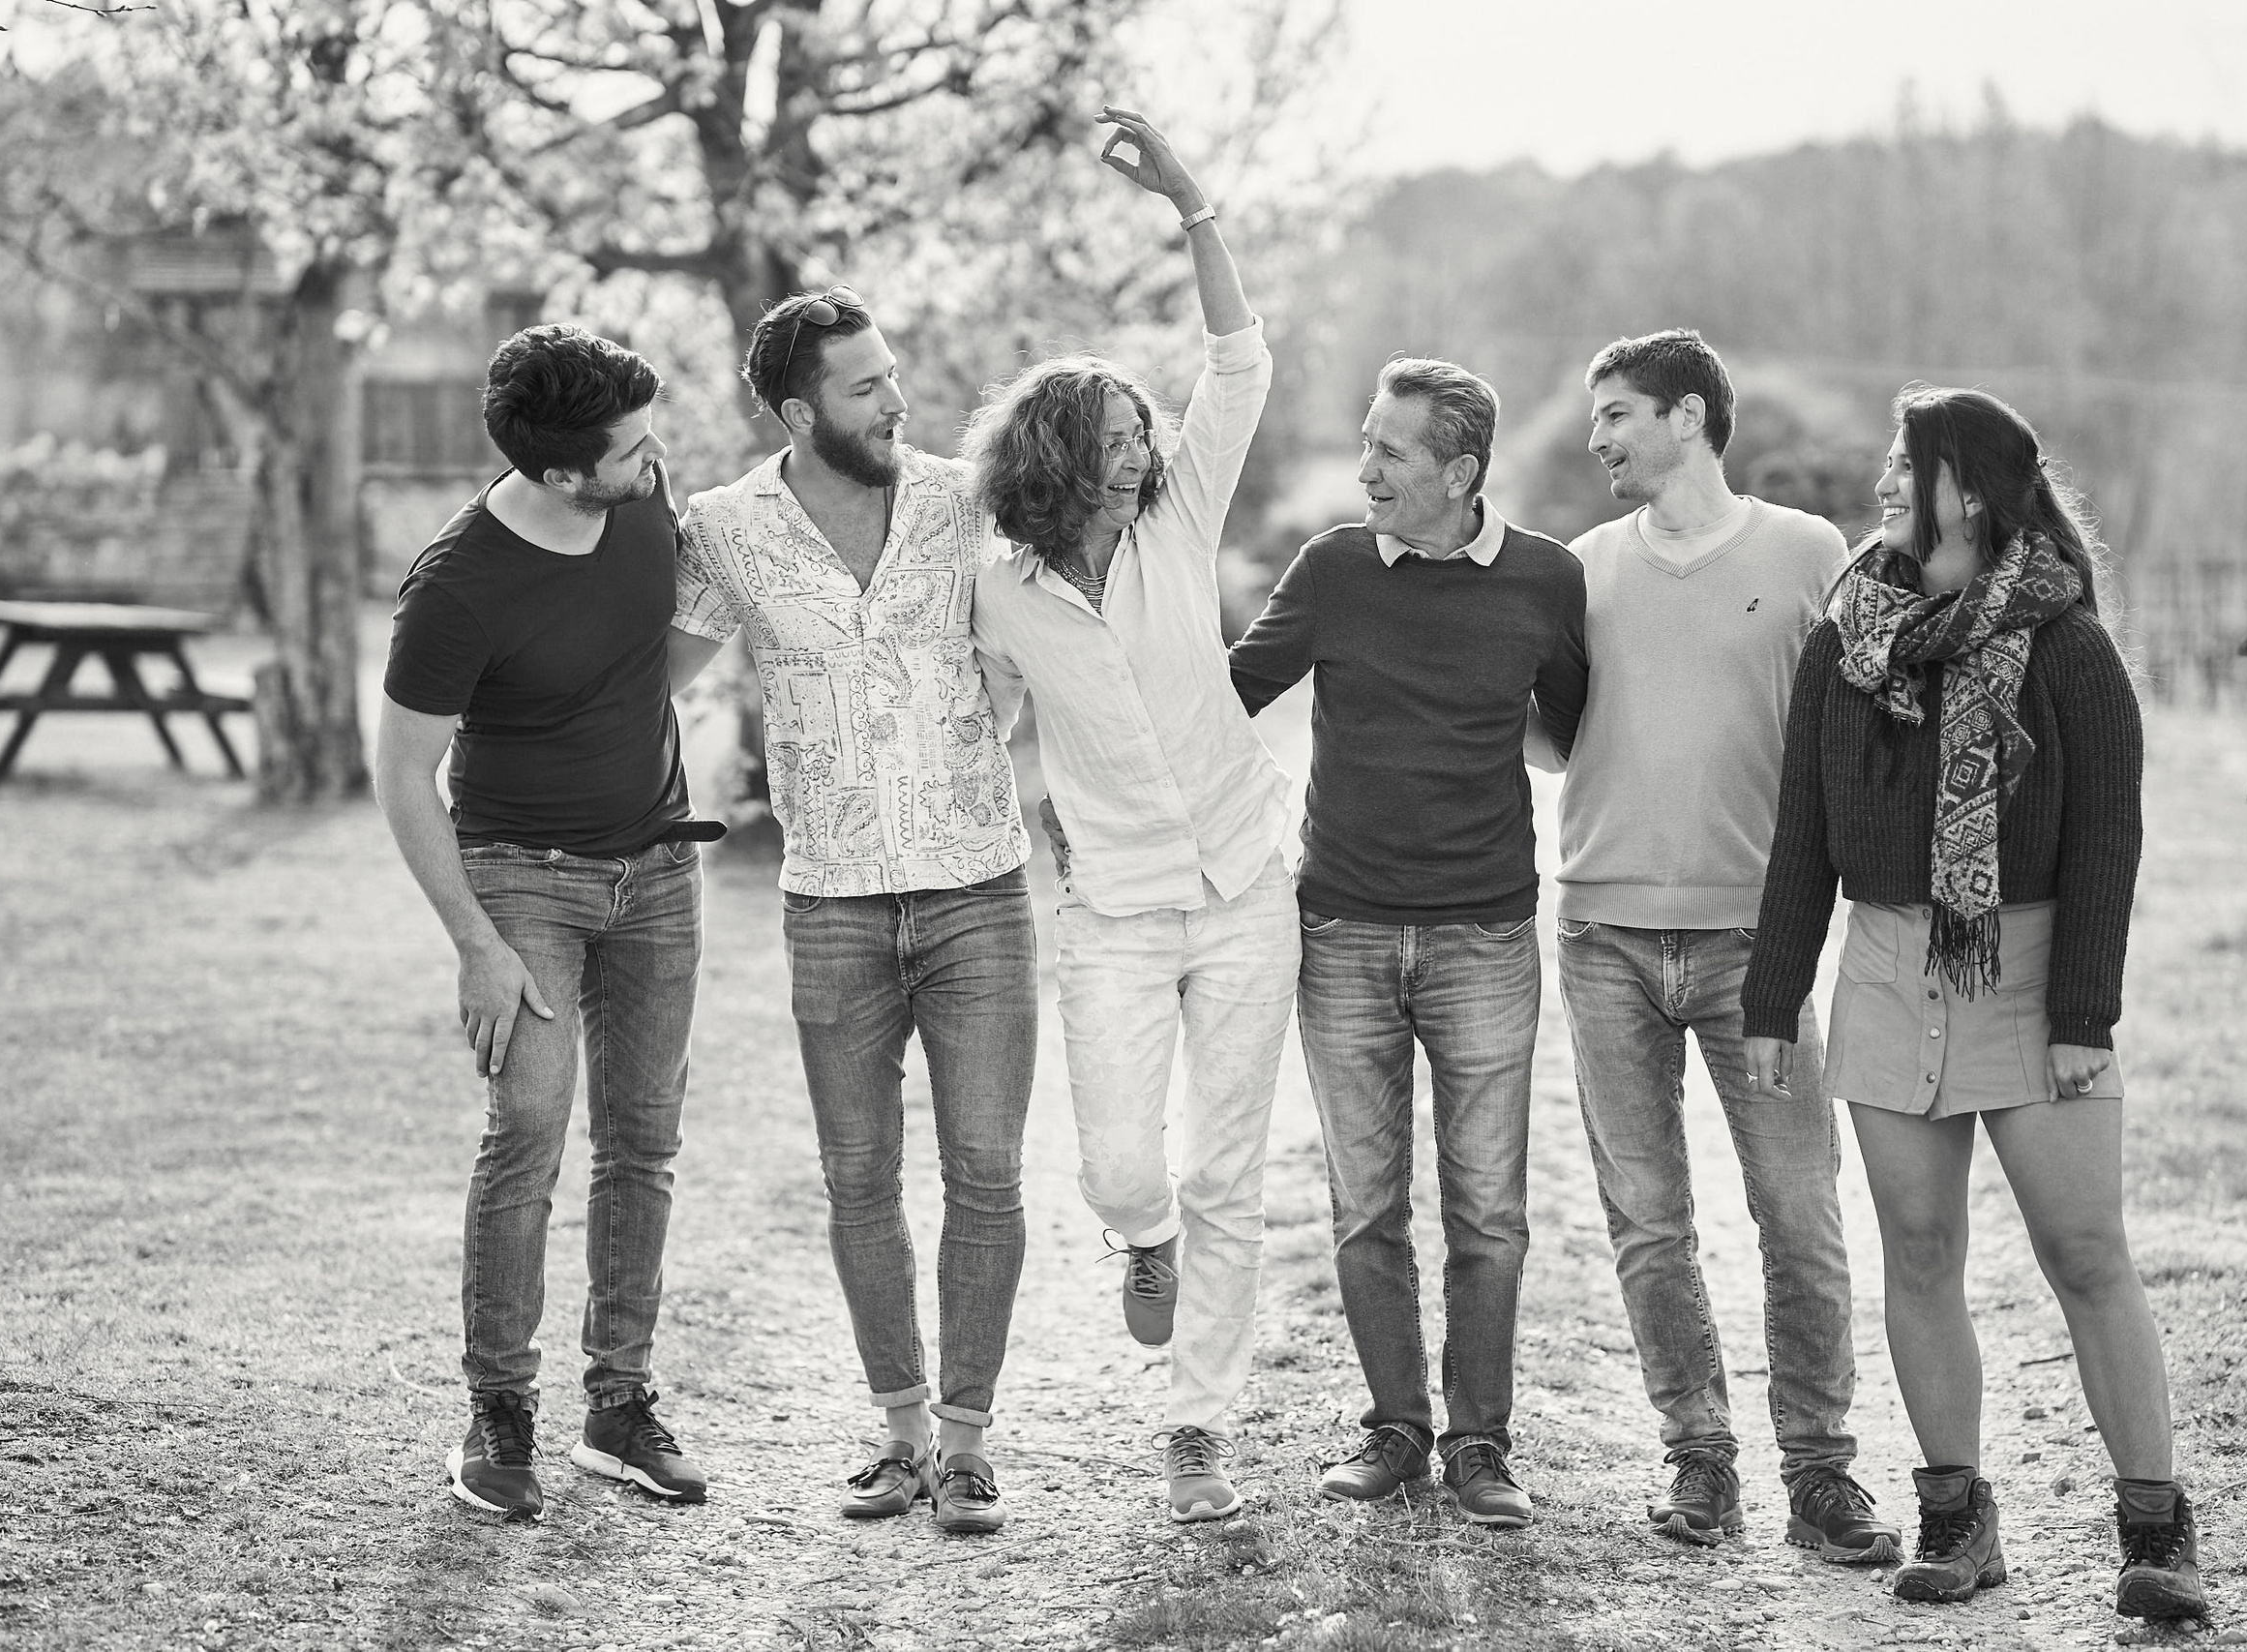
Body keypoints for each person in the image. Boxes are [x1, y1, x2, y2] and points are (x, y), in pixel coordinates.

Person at [1740, 386, 2203, 1619]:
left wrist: (2079, 1021)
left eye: (1909, 465)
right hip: (1889, 967)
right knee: (1922, 1251)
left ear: (1975, 493)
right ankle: (1956, 1517)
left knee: (2085, 1252)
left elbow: (2108, 841)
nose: (1885, 482)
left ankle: (2155, 1532)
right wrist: (1774, 997)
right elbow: (1802, 835)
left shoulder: (2068, 649)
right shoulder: (1849, 640)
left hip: (2036, 975)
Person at [965, 110, 1295, 1524]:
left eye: (1139, 435)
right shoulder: (998, 584)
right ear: (1051, 458)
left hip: (1242, 880)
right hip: (1109, 899)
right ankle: (1139, 1235)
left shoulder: (1179, 522)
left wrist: (1193, 206)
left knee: (1231, 1161)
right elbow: (979, 719)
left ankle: (1200, 1429)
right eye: (1108, 440)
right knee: (1118, 1159)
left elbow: (1242, 362)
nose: (1134, 454)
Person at [670, 282, 1034, 1536]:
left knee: (986, 1170)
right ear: (795, 408)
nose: (897, 399)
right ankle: (899, 1430)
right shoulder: (725, 527)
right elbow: (654, 669)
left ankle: (972, 1444)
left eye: (893, 375)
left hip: (978, 886)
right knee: (859, 1176)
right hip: (828, 898)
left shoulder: (962, 499)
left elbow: (1067, 609)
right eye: (866, 384)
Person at [1538, 328, 1899, 1561]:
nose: (1599, 439)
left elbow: (1860, 730)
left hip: (1764, 939)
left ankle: (1820, 1472)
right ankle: (1698, 1463)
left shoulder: (1809, 554)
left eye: (1621, 415)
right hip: (1604, 936)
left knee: (1797, 1210)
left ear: (1691, 416)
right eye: (1597, 420)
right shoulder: (1582, 567)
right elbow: (1553, 736)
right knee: (1647, 1219)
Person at [1229, 357, 1589, 1527]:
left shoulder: (1545, 579)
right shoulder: (1333, 569)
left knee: (1488, 1211)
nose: (1365, 469)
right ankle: (1395, 1429)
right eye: (1366, 445)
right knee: (1364, 1204)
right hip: (1339, 929)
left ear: (1459, 472)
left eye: (1389, 452)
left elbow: (1572, 731)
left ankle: (1480, 1444)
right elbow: (1228, 695)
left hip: (1485, 934)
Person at [377, 324, 710, 1521]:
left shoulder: (640, 493)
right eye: (629, 449)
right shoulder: (458, 587)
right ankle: (497, 1414)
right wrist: (477, 941)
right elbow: (402, 775)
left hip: (660, 872)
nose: (654, 457)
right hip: (523, 879)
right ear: (562, 472)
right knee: (527, 1132)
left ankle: (617, 1406)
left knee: (645, 1140)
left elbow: (645, 660)